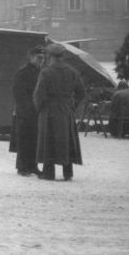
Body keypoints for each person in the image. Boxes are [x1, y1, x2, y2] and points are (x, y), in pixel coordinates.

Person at [33, 43, 86, 181]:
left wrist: (39, 108)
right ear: (62, 56)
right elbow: (81, 92)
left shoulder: (46, 72)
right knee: (66, 140)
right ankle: (68, 172)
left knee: (48, 140)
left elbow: (39, 94)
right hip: (66, 110)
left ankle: (48, 173)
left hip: (49, 111)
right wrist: (72, 106)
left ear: (50, 56)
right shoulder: (72, 71)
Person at [9, 46, 44, 177]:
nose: (40, 61)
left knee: (34, 140)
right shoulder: (23, 72)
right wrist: (27, 107)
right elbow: (18, 93)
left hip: (36, 111)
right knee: (24, 140)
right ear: (31, 57)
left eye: (42, 58)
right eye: (38, 58)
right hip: (25, 111)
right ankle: (22, 167)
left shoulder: (41, 72)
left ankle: (33, 166)